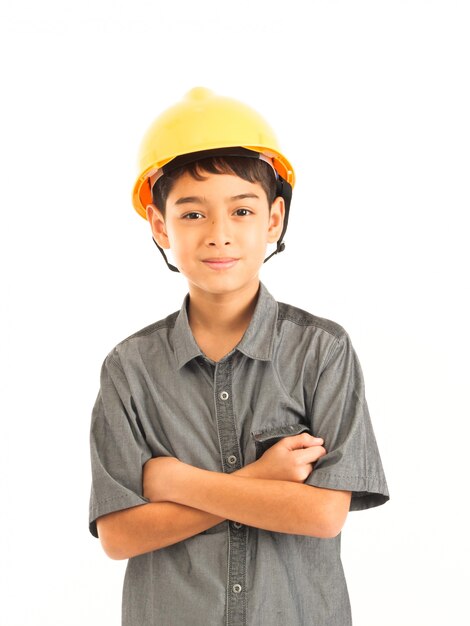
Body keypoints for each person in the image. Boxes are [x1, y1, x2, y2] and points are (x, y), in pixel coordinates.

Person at [88, 87, 390, 626]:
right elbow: (119, 535)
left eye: (242, 210)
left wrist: (174, 480)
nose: (219, 235)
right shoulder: (129, 370)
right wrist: (263, 478)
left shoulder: (323, 351)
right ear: (161, 226)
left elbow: (323, 515)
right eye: (192, 214)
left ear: (273, 220)